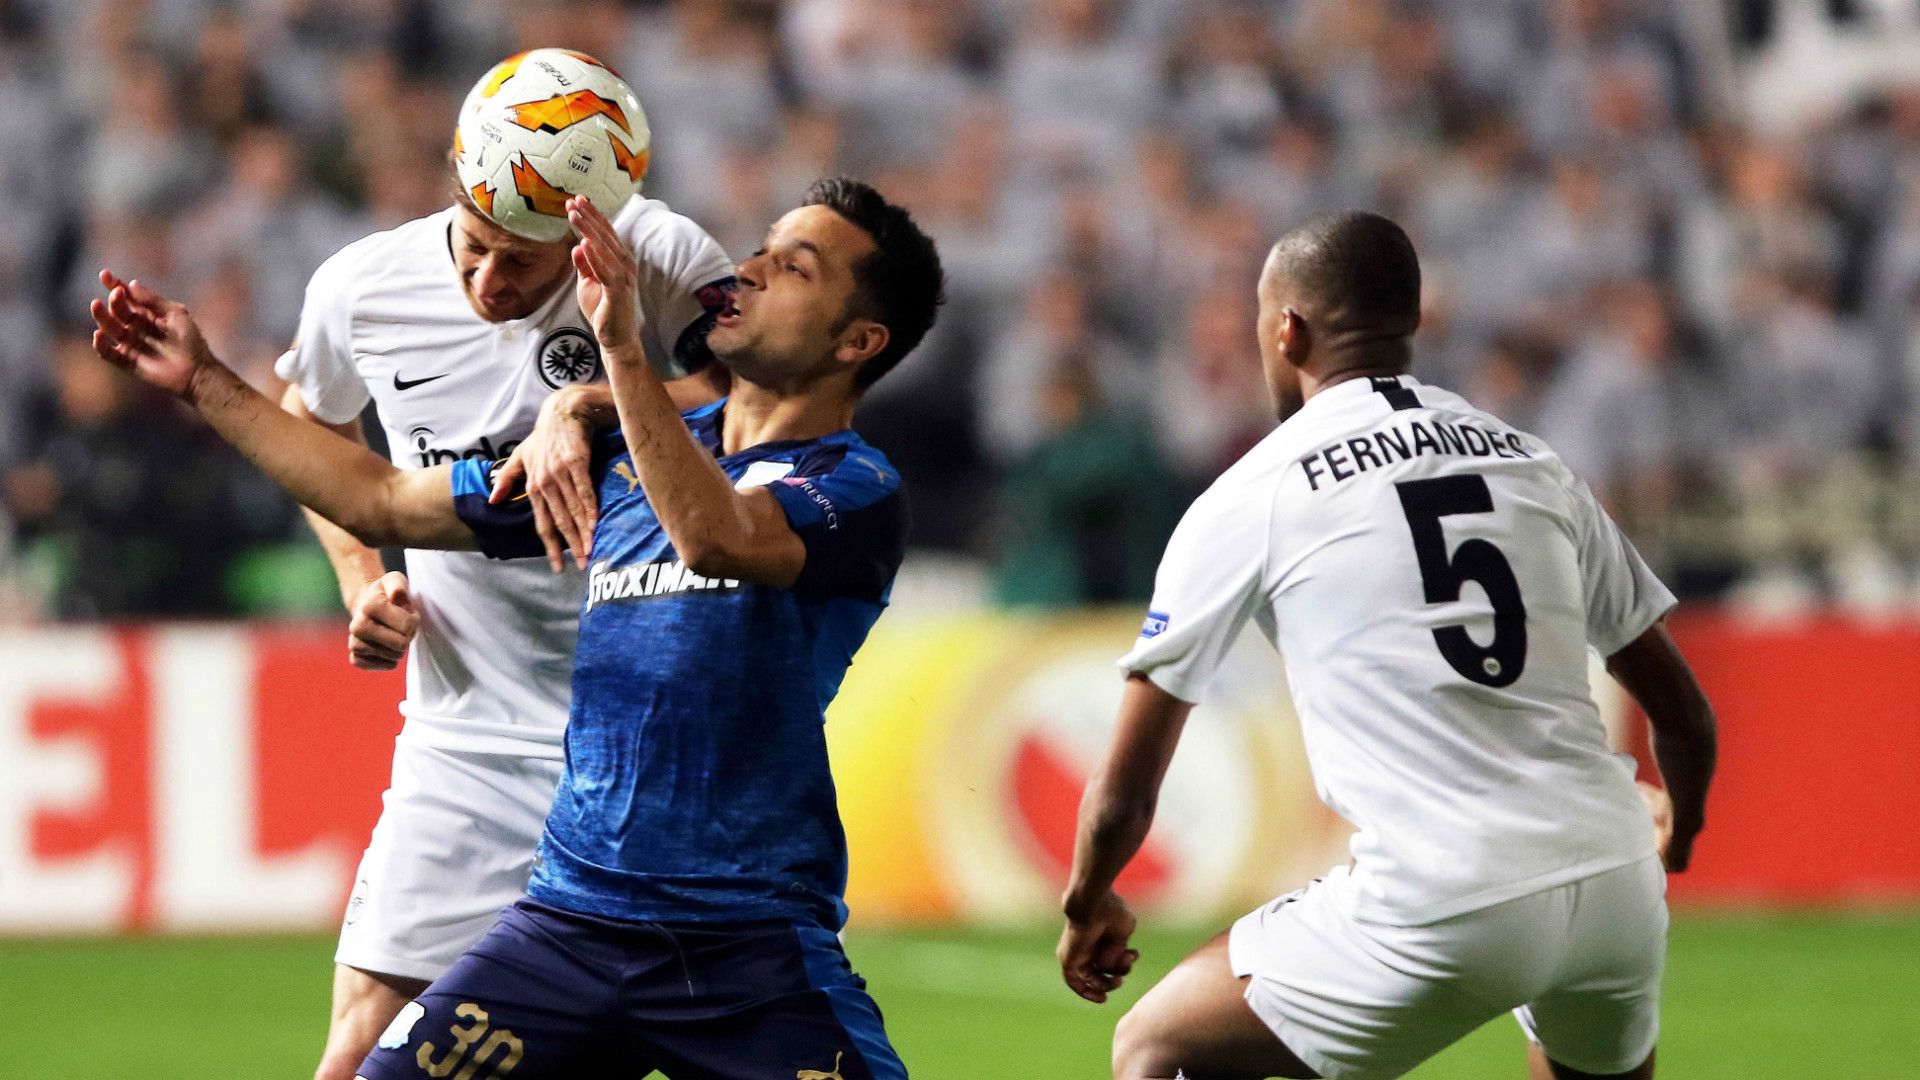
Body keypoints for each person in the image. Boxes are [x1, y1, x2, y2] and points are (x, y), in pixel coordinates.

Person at [91, 175, 942, 1080]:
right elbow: (379, 497)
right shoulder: (608, 452)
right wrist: (205, 382)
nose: (751, 268)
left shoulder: (852, 488)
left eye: (794, 267)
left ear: (858, 341)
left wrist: (611, 353)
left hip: (745, 945)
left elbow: (716, 535)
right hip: (569, 930)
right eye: (763, 246)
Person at [1055, 212, 1717, 1080]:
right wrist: (1680, 833)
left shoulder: (1258, 489)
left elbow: (1124, 794)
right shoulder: (1533, 462)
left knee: (1157, 1046)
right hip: (1615, 883)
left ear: (1286, 329)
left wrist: (1087, 898)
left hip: (1445, 896)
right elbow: (1687, 718)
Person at [272, 51, 735, 1080]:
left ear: (592, 232)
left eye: (523, 264)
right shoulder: (362, 287)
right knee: (359, 1053)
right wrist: (362, 576)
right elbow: (310, 415)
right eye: (474, 246)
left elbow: (758, 418)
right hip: (467, 741)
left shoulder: (666, 261)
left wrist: (590, 402)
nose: (488, 282)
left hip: (652, 749)